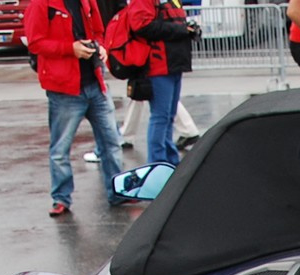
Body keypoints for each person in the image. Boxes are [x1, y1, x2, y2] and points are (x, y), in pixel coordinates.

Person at [24, 0, 126, 216]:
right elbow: (35, 43)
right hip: (64, 89)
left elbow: (99, 31)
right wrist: (70, 49)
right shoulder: (41, 4)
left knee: (112, 143)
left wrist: (101, 47)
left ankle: (118, 191)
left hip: (95, 84)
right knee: (60, 149)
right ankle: (61, 198)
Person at [125, 0, 196, 165]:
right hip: (159, 66)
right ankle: (158, 162)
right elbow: (141, 26)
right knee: (161, 117)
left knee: (167, 117)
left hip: (172, 64)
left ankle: (168, 161)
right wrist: (181, 30)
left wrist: (187, 30)